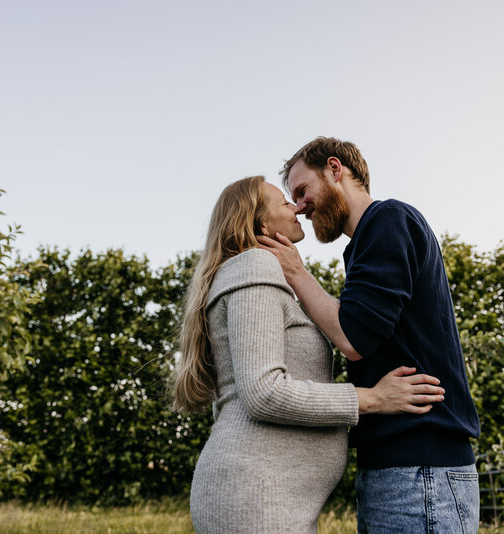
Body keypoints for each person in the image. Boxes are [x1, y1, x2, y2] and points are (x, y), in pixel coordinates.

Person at [172, 175, 447, 534]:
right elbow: (264, 392)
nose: (295, 206)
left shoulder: (258, 273)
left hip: (269, 496)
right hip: (258, 497)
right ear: (259, 222)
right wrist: (374, 398)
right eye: (283, 201)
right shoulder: (254, 266)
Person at [257, 137, 482, 533]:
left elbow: (353, 338)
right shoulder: (366, 243)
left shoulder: (388, 220)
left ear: (335, 169)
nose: (299, 206)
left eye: (302, 190)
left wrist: (295, 271)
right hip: (405, 472)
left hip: (419, 471)